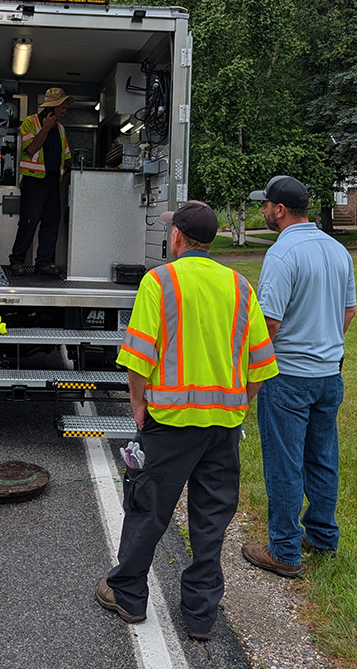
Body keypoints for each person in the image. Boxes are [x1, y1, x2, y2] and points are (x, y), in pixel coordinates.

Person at [95, 201, 279, 641]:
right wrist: (236, 405)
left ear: (176, 236)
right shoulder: (239, 285)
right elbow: (261, 364)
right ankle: (200, 615)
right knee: (211, 519)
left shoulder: (160, 281)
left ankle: (128, 594)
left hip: (171, 422)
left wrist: (138, 406)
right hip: (223, 427)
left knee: (148, 508)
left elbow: (138, 357)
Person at [242, 176, 356, 578]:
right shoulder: (338, 249)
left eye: (265, 205)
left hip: (289, 374)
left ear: (280, 210)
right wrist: (326, 344)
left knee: (284, 463)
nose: (262, 211)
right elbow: (349, 310)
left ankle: (284, 550)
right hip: (329, 373)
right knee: (322, 457)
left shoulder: (282, 253)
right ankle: (322, 535)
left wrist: (251, 368)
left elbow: (269, 322)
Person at [8, 87, 72, 276]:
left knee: (51, 223)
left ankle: (44, 263)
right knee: (29, 221)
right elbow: (31, 149)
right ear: (52, 107)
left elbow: (67, 157)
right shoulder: (31, 122)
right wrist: (46, 128)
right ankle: (16, 261)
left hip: (53, 181)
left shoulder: (61, 129)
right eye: (62, 108)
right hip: (34, 181)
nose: (65, 112)